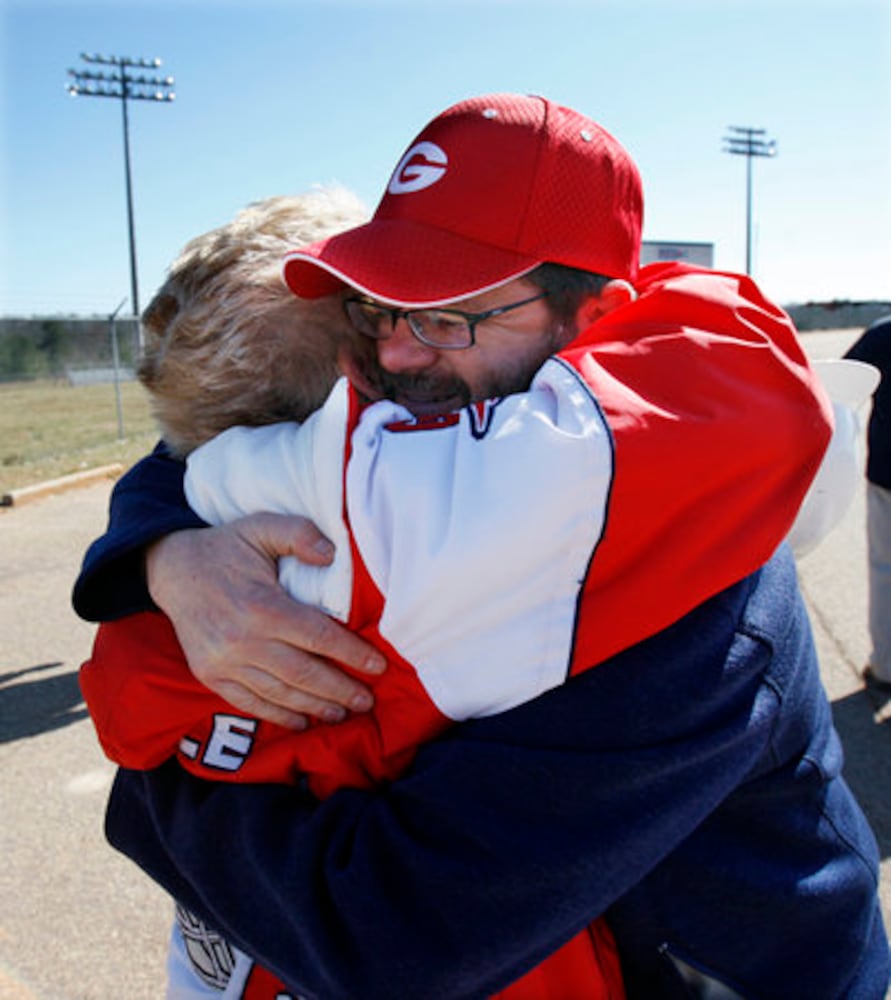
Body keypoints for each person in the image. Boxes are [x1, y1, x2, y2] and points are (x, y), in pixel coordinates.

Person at [74, 93, 890, 998]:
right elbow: (205, 451)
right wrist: (167, 556)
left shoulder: (686, 591)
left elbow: (392, 940)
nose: (400, 355)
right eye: (380, 309)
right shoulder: (439, 438)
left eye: (446, 315)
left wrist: (151, 798)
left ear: (591, 325)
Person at [82, 188, 628, 998]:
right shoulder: (479, 551)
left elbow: (120, 720)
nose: (410, 341)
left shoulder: (166, 596)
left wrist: (161, 553)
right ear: (361, 375)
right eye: (392, 316)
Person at [845, 316, 891, 689]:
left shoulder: (883, 333)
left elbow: (840, 391)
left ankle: (888, 667)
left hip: (888, 474)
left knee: (886, 571)